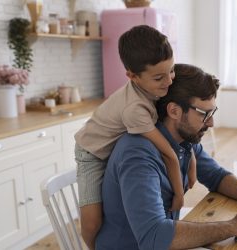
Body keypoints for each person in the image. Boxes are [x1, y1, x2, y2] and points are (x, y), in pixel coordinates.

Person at [95, 64, 237, 249]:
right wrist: (233, 226)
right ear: (174, 111)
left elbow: (216, 176)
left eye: (212, 112)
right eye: (204, 114)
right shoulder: (138, 156)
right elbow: (153, 236)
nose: (211, 123)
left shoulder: (184, 141)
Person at [74, 25, 196, 249]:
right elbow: (168, 152)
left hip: (114, 145)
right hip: (91, 152)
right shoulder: (135, 109)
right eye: (160, 77)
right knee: (92, 221)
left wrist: (192, 160)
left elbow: (176, 139)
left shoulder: (156, 89)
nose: (169, 81)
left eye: (171, 70)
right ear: (132, 76)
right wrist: (179, 194)